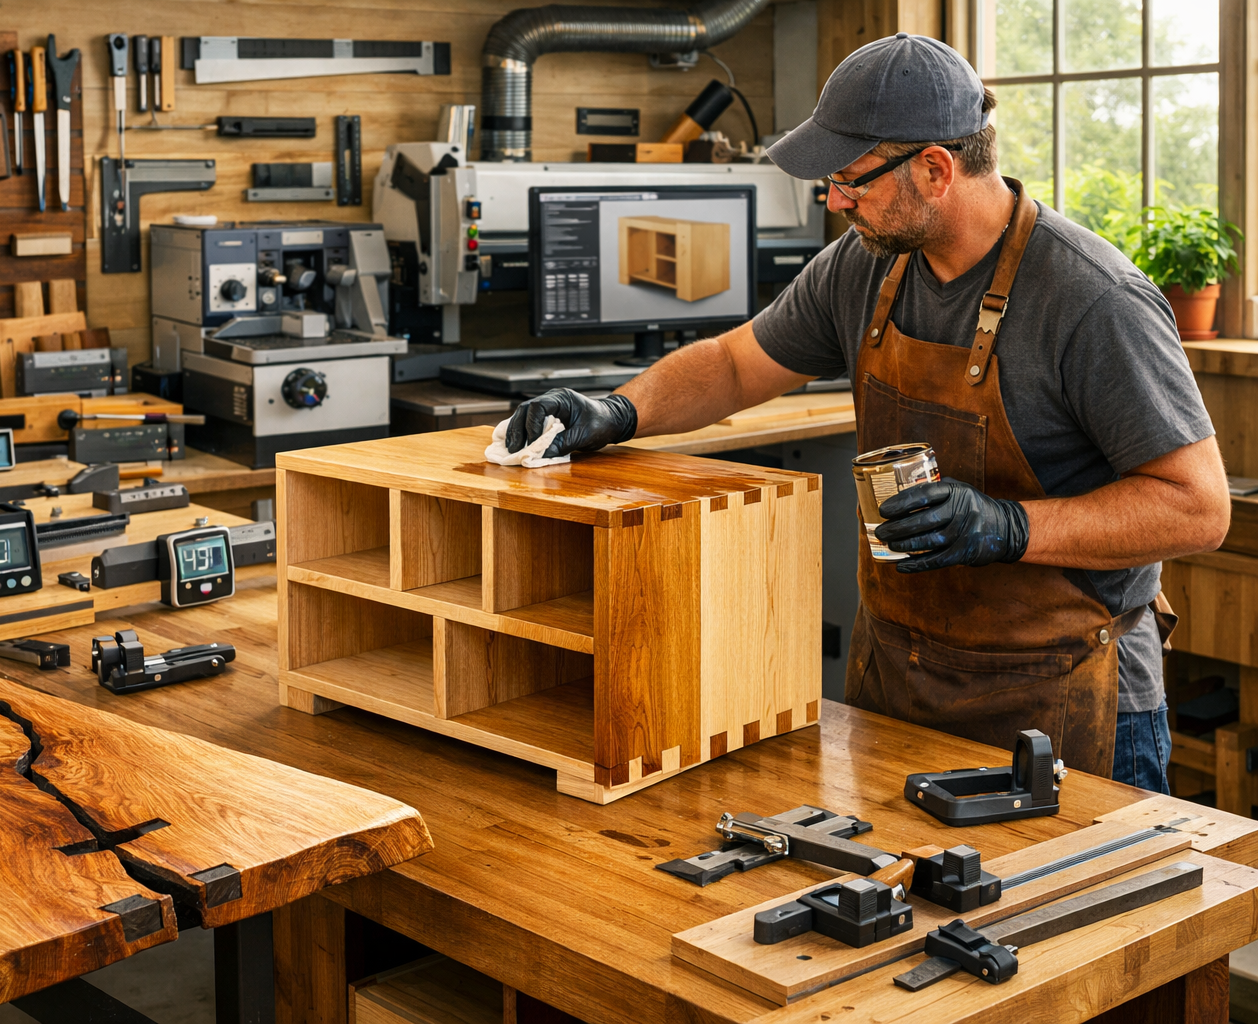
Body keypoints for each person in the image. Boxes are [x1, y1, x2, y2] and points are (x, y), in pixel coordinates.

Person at [501, 32, 1229, 792]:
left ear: (936, 169)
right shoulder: (866, 266)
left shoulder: (1092, 300)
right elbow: (735, 363)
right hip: (897, 683)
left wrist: (1010, 527)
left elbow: (1197, 509)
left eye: (851, 179)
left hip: (1062, 699)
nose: (833, 199)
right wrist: (618, 410)